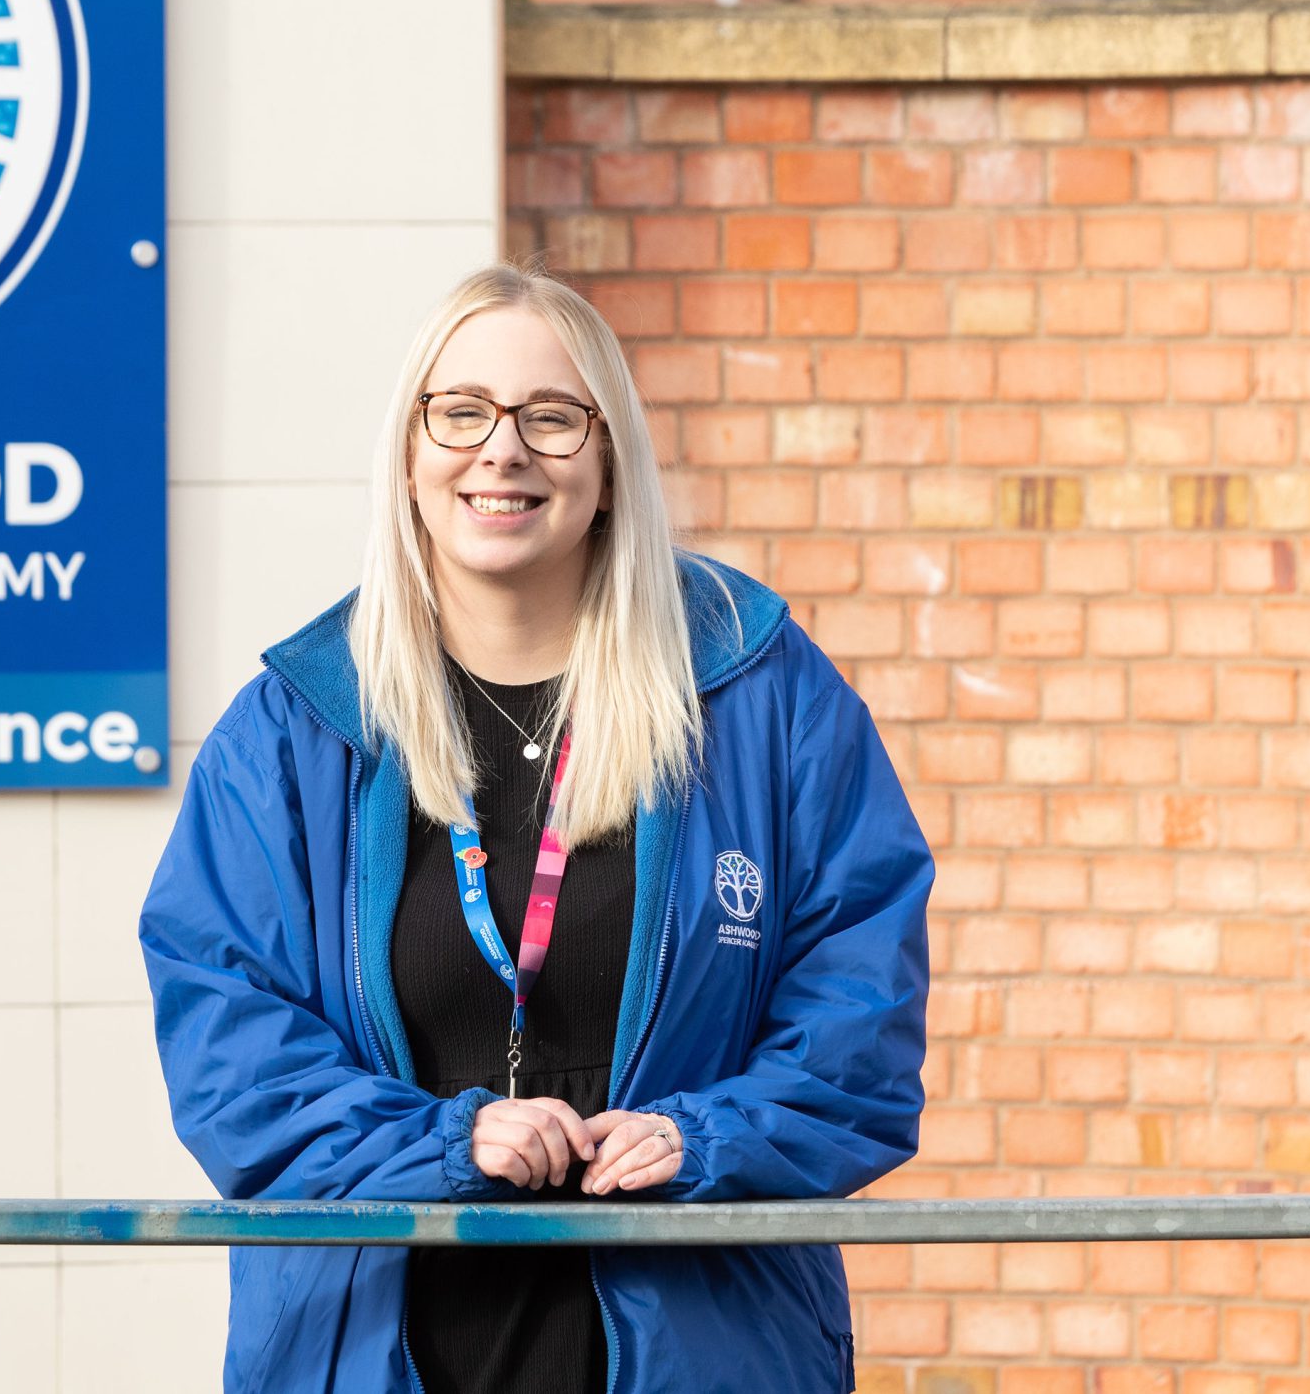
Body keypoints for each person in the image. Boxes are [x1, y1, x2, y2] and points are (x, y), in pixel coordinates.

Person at [140, 263, 933, 1394]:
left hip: (703, 1351)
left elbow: (861, 1022)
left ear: (608, 466)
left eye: (552, 418)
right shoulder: (294, 732)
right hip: (376, 1352)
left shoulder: (761, 696)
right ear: (409, 458)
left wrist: (711, 1142)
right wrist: (444, 1148)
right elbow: (233, 1062)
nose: (500, 450)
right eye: (459, 412)